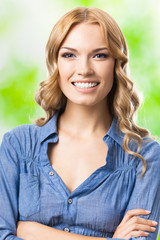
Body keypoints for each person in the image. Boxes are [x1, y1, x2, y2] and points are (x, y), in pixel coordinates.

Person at [0, 6, 159, 240]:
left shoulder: (145, 157)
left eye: (99, 55)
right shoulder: (17, 145)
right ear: (55, 63)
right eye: (69, 55)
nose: (84, 69)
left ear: (116, 64)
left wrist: (31, 230)